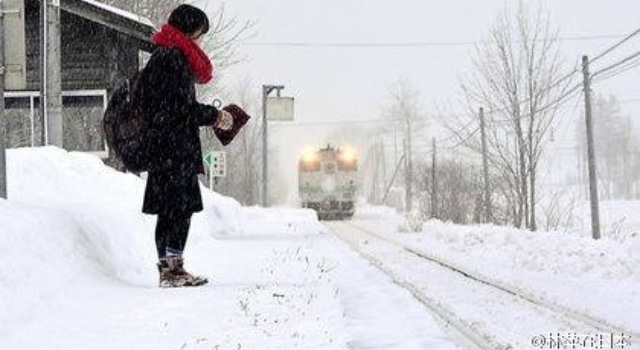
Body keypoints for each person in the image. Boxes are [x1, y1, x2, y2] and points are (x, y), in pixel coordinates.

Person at [136, 4, 234, 288]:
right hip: (174, 149)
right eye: (200, 34)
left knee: (169, 210)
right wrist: (216, 116)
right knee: (179, 209)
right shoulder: (174, 59)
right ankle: (173, 270)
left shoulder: (161, 56)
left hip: (161, 148)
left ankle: (168, 269)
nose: (200, 41)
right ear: (190, 31)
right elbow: (181, 108)